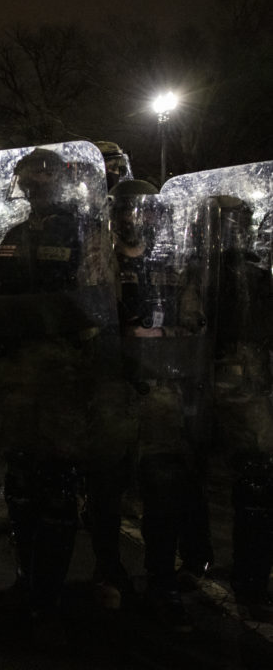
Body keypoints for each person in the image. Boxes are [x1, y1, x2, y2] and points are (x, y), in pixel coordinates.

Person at [0, 145, 117, 634]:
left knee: (57, 482)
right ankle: (26, 575)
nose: (34, 187)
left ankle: (48, 591)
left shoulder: (84, 231)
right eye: (27, 179)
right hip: (18, 374)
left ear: (59, 180)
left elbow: (97, 304)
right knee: (21, 479)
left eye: (42, 178)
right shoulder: (13, 235)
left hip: (63, 376)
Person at [110, 178, 208, 631]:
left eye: (140, 210)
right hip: (108, 389)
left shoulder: (170, 263)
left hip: (158, 392)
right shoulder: (98, 259)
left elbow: (194, 322)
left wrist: (160, 336)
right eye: (124, 209)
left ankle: (161, 581)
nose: (132, 218)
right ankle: (107, 574)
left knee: (163, 488)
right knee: (106, 490)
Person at [205, 174, 273, 623]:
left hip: (243, 381)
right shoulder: (205, 271)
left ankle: (245, 578)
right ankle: (226, 572)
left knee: (250, 481)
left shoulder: (250, 274)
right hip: (215, 379)